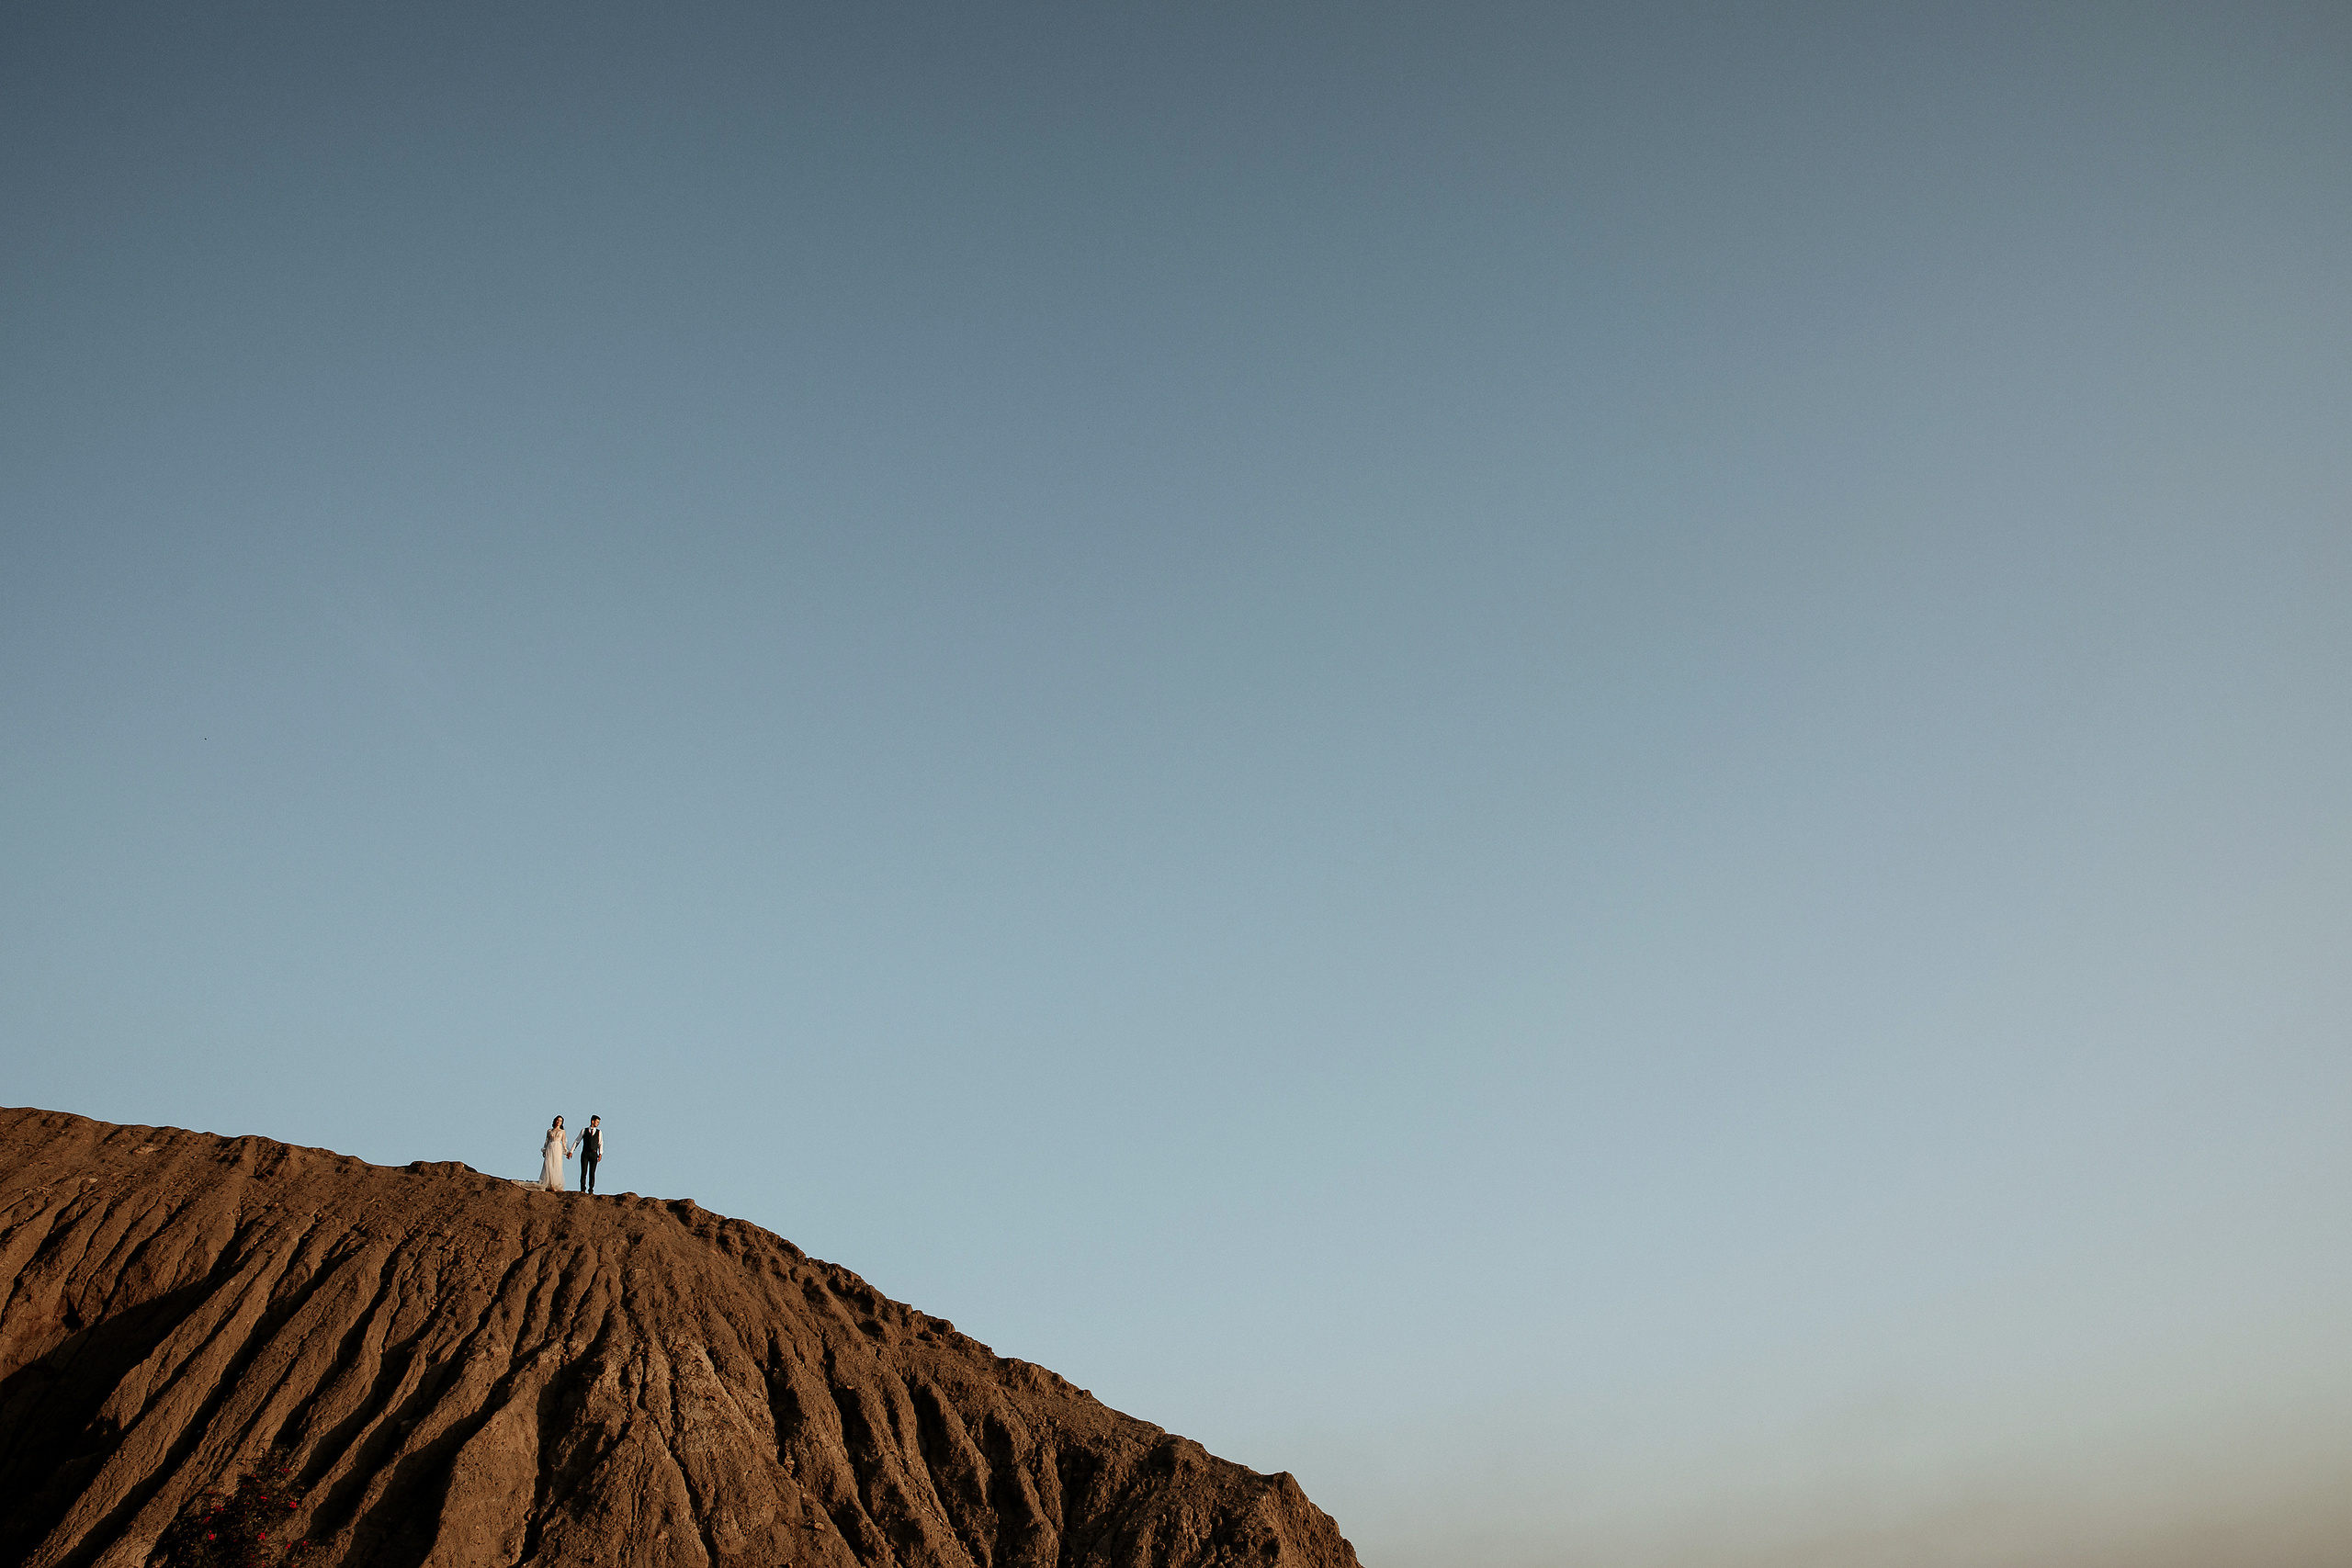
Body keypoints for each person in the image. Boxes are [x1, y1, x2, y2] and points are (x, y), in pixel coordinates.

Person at [539, 1115, 573, 1191]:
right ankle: (549, 1183)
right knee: (549, 1164)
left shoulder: (562, 1131)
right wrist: (544, 1150)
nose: (559, 1122)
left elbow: (564, 1142)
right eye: (558, 1120)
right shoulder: (549, 1131)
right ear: (555, 1121)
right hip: (550, 1147)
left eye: (561, 1121)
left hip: (558, 1148)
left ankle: (555, 1184)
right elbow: (546, 1141)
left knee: (557, 1165)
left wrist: (566, 1152)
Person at [579, 1115, 605, 1194]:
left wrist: (600, 1153)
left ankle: (591, 1189)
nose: (598, 1124)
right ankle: (583, 1189)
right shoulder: (584, 1130)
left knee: (592, 1172)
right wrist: (571, 1151)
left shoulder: (599, 1132)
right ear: (592, 1121)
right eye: (597, 1122)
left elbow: (600, 1143)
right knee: (584, 1172)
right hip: (585, 1152)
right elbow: (577, 1140)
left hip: (594, 1153)